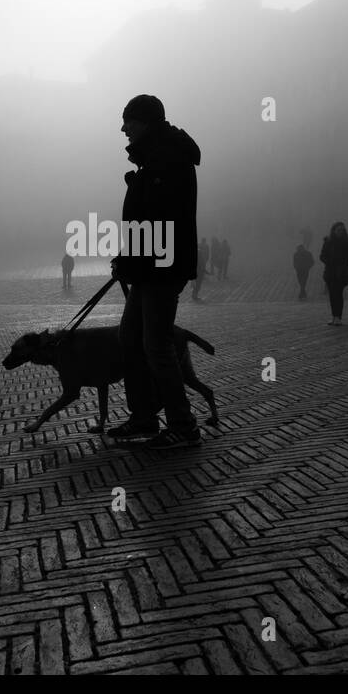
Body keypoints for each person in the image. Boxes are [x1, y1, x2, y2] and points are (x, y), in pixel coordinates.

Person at [107, 94, 203, 450]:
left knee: (156, 345)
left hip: (162, 268)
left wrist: (132, 259)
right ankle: (143, 416)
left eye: (128, 121)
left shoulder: (167, 160)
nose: (123, 129)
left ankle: (183, 424)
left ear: (145, 121)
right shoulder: (155, 158)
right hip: (149, 267)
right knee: (130, 338)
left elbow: (161, 224)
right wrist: (127, 258)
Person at [319, 221, 348, 325]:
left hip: (341, 272)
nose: (341, 232)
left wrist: (343, 262)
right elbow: (322, 255)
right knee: (332, 295)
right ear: (334, 231)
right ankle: (334, 316)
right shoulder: (328, 241)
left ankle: (338, 316)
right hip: (330, 271)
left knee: (338, 294)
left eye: (342, 230)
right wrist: (329, 261)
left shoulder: (347, 242)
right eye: (338, 230)